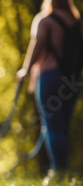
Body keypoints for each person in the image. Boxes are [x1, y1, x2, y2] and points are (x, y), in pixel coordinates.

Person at [17, 0, 82, 172]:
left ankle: (58, 171)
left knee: (52, 126)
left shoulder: (44, 20)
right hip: (72, 80)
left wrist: (25, 70)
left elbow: (37, 45)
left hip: (50, 76)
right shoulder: (77, 22)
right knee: (63, 127)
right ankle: (63, 169)